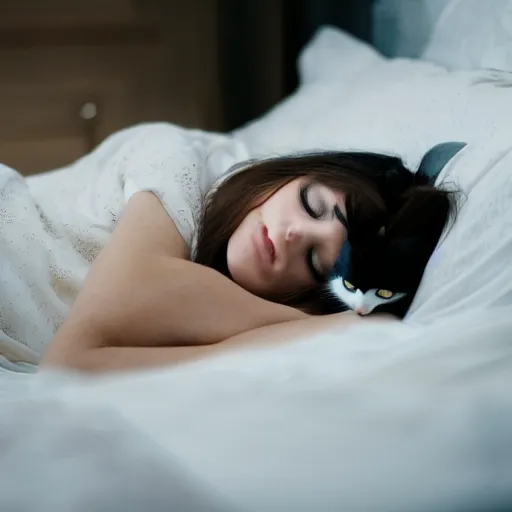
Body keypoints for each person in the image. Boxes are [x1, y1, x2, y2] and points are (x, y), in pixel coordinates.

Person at [0, 123, 454, 374]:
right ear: (289, 174)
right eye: (311, 205)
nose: (294, 236)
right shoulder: (176, 159)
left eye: (317, 263)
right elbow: (72, 361)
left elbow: (77, 369)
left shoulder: (229, 308)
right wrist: (312, 327)